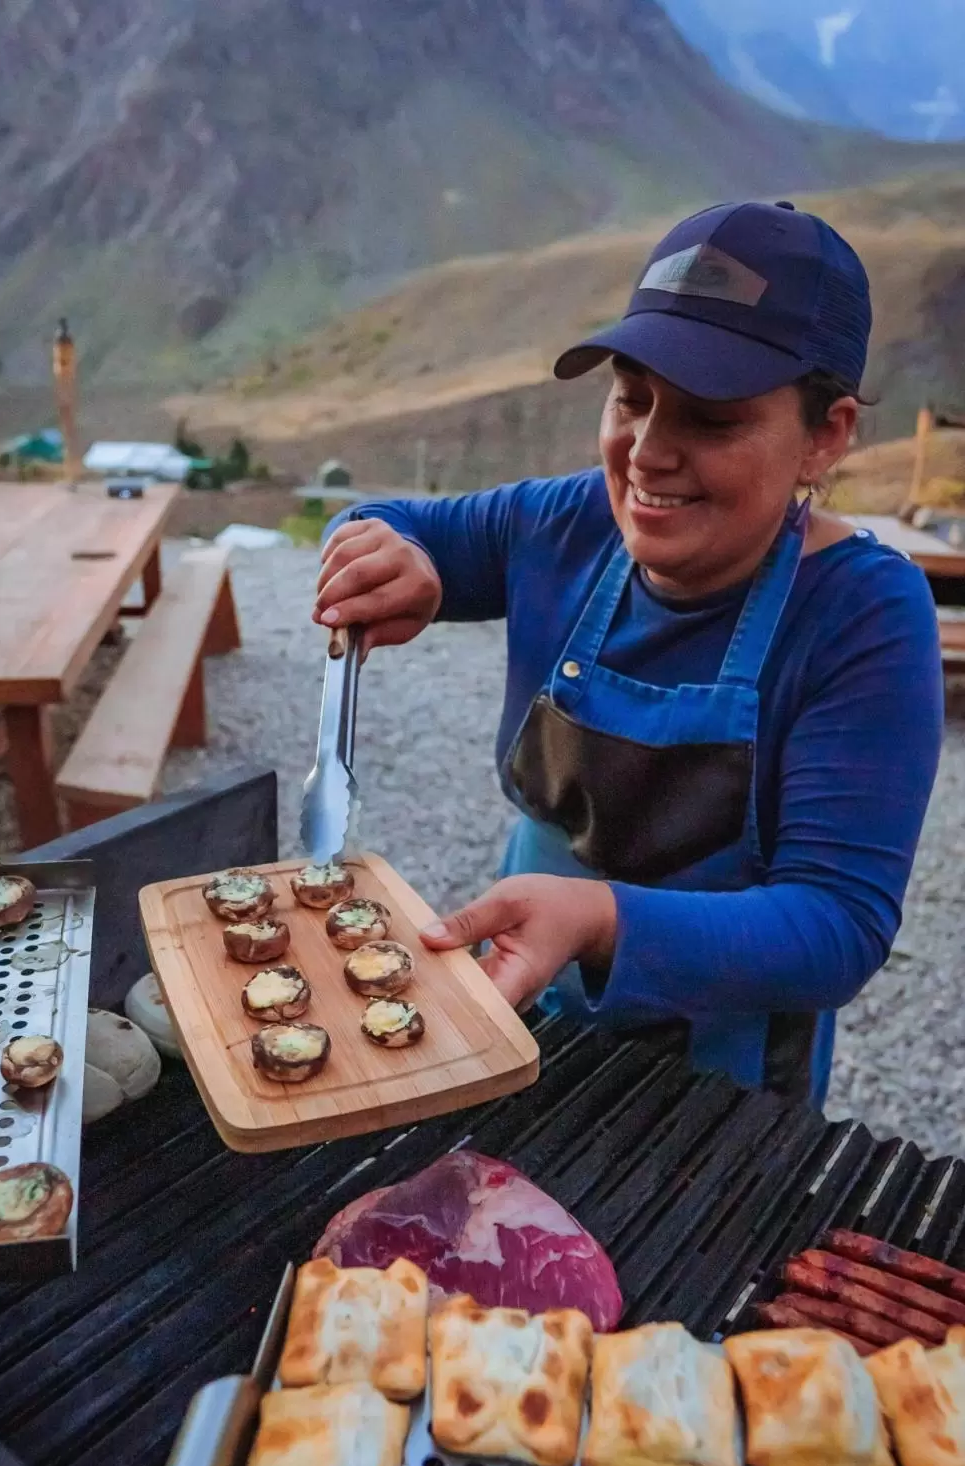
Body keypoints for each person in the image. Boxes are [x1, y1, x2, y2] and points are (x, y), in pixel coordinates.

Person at [314, 200, 943, 1105]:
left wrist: (598, 919)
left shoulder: (863, 613)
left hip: (718, 1089)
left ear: (826, 435)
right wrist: (382, 548)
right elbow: (380, 519)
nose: (648, 453)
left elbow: (836, 925)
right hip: (524, 1014)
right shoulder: (568, 522)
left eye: (711, 419)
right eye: (631, 398)